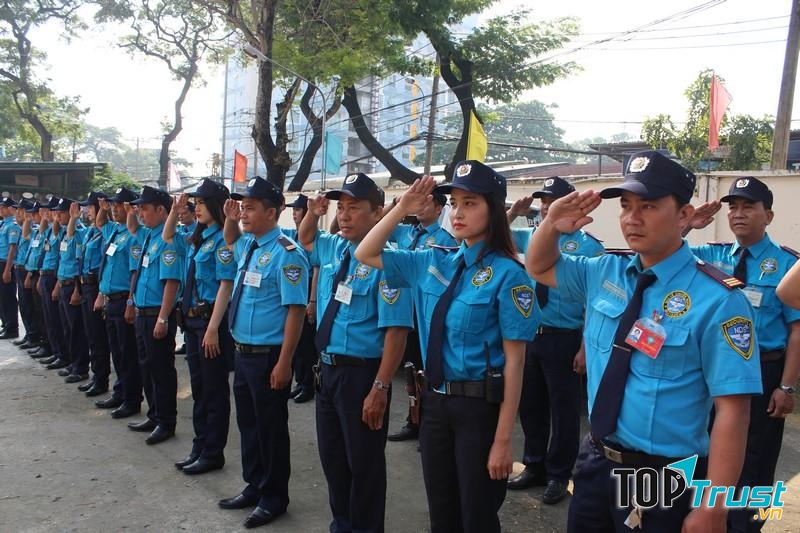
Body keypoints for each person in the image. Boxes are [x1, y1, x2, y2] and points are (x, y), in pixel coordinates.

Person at [525, 150, 763, 532]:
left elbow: (733, 411)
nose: (632, 219)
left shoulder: (720, 300)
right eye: (625, 206)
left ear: (684, 216)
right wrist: (551, 225)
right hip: (596, 461)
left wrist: (714, 507)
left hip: (662, 475)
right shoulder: (606, 270)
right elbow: (538, 266)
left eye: (648, 206)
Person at [355, 162, 541, 533]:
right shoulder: (433, 261)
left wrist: (504, 440)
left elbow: (516, 364)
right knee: (442, 512)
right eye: (454, 203)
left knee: (477, 516)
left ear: (493, 208)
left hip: (479, 410)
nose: (458, 212)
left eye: (470, 203)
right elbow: (366, 252)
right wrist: (401, 207)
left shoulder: (510, 274)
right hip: (435, 404)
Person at [298, 172, 412, 533]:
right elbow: (305, 239)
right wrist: (315, 213)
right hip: (327, 371)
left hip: (362, 375)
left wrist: (380, 387)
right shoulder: (335, 247)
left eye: (354, 208)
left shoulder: (391, 263)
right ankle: (342, 524)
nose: (344, 215)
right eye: (341, 208)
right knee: (333, 459)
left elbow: (396, 332)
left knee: (364, 464)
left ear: (378, 213)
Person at [687, 176, 800, 533]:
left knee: (755, 463)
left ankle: (745, 527)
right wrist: (686, 224)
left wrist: (787, 387)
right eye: (733, 207)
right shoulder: (712, 255)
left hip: (764, 374)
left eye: (748, 206)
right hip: (713, 374)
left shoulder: (786, 264)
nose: (738, 214)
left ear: (768, 215)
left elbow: (797, 330)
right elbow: (665, 254)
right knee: (707, 455)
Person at [506, 177, 604, 505]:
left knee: (564, 412)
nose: (547, 206)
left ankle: (560, 474)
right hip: (531, 335)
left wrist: (585, 347)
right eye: (544, 200)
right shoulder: (534, 236)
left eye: (553, 199)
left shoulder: (590, 246)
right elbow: (497, 239)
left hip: (566, 338)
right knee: (530, 406)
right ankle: (534, 464)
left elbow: (595, 302)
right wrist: (513, 214)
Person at [217, 177, 308, 529]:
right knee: (249, 424)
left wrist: (285, 362)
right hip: (243, 353)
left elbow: (296, 311)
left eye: (251, 208)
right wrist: (230, 217)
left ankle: (274, 497)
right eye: (243, 207)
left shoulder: (288, 253)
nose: (244, 213)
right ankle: (254, 485)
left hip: (269, 356)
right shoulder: (250, 246)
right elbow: (230, 239)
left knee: (271, 429)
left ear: (272, 212)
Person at [164, 180, 236, 476]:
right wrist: (174, 208)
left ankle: (212, 451)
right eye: (196, 204)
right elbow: (168, 235)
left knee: (214, 391)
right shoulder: (199, 236)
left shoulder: (223, 240)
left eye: (203, 204)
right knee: (199, 389)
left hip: (210, 322)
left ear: (218, 206)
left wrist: (212, 329)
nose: (198, 208)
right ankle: (199, 445)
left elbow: (225, 286)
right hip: (192, 322)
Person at [385, 190, 457, 443]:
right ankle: (413, 421)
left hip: (424, 316)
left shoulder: (445, 240)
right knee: (409, 373)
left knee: (426, 372)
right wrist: (398, 205)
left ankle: (426, 424)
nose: (420, 206)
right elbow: (377, 229)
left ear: (439, 209)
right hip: (401, 313)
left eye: (427, 202)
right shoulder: (406, 232)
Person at [127, 186, 184, 445]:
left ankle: (166, 421)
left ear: (162, 210)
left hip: (157, 315)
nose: (140, 213)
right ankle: (154, 413)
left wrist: (163, 318)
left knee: (161, 369)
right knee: (146, 366)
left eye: (145, 209)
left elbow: (171, 282)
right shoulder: (150, 236)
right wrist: (132, 302)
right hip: (142, 311)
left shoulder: (168, 240)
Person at [93, 188, 144, 418]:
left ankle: (131, 399)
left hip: (124, 299)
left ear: (129, 207)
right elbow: (100, 223)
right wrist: (103, 210)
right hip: (110, 300)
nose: (114, 208)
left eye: (119, 205)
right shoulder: (114, 232)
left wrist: (131, 302)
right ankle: (120, 392)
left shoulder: (134, 235)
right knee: (117, 350)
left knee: (127, 353)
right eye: (112, 205)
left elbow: (134, 272)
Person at [72, 192, 113, 396]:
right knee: (91, 335)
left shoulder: (107, 233)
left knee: (99, 337)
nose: (86, 210)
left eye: (90, 207)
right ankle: (96, 376)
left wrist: (101, 294)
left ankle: (101, 379)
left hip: (97, 286)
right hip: (85, 285)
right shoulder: (89, 232)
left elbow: (106, 265)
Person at [284, 194, 318, 404]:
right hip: (293, 293)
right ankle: (300, 381)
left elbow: (317, 268)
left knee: (307, 344)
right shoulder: (291, 235)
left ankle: (309, 384)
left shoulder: (312, 238)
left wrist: (312, 301)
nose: (294, 213)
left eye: (297, 209)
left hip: (306, 294)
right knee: (296, 345)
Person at [52, 198, 91, 383]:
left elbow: (78, 263)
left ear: (71, 212)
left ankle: (81, 367)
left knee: (77, 329)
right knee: (68, 328)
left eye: (61, 213)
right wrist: (58, 285)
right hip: (63, 283)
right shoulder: (65, 234)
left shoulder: (80, 233)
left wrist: (77, 290)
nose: (57, 216)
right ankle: (73, 362)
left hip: (73, 286)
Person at [38, 197, 70, 370]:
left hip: (57, 277)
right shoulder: (52, 230)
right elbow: (44, 234)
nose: (55, 215)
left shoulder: (70, 231)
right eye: (53, 211)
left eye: (58, 212)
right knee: (50, 319)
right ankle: (57, 353)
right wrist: (46, 217)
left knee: (60, 322)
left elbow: (62, 259)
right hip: (47, 275)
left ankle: (64, 355)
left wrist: (57, 284)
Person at [12, 199, 42, 350]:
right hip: (22, 267)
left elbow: (26, 235)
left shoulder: (37, 229)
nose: (19, 213)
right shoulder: (23, 227)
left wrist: (27, 220)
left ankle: (35, 336)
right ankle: (30, 334)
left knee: (32, 306)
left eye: (23, 211)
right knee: (24, 305)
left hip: (30, 270)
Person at [22, 201, 50, 359]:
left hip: (44, 275)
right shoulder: (36, 232)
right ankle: (42, 342)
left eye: (34, 213)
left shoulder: (47, 231)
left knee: (46, 315)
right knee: (38, 312)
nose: (32, 216)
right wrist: (27, 219)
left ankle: (48, 345)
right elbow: (25, 235)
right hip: (34, 273)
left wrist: (45, 218)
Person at [0, 196, 21, 339]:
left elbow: (13, 248)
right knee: (2, 296)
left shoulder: (13, 225)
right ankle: (6, 323)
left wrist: (7, 269)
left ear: (11, 209)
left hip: (5, 263)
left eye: (3, 207)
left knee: (8, 296)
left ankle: (12, 327)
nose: (0, 209)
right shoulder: (3, 224)